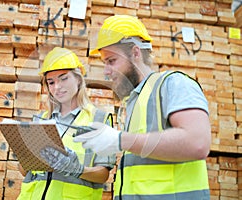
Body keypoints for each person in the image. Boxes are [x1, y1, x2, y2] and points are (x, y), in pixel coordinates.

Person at [74, 15, 211, 199]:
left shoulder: (173, 83)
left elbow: (198, 143)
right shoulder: (133, 102)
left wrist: (120, 140)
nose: (106, 71)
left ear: (136, 53)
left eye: (112, 61)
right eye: (104, 63)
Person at [17, 47, 115, 200]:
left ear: (78, 79)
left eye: (64, 79)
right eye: (51, 82)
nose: (57, 87)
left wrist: (77, 169)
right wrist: (26, 156)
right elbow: (24, 172)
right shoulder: (41, 120)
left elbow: (103, 175)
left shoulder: (99, 120)